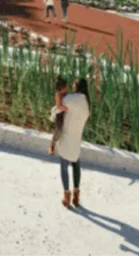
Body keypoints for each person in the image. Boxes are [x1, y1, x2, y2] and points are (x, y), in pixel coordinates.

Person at [55, 77, 91, 209]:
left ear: (77, 87)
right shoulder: (87, 104)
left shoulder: (70, 99)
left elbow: (58, 108)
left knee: (64, 166)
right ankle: (76, 195)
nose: (72, 87)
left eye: (74, 85)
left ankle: (67, 196)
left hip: (67, 137)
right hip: (77, 138)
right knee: (76, 163)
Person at [49, 76, 69, 155]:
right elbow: (58, 106)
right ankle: (52, 144)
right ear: (61, 89)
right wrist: (65, 108)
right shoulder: (58, 95)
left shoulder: (65, 92)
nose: (67, 89)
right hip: (60, 114)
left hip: (66, 113)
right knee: (59, 129)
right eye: (66, 88)